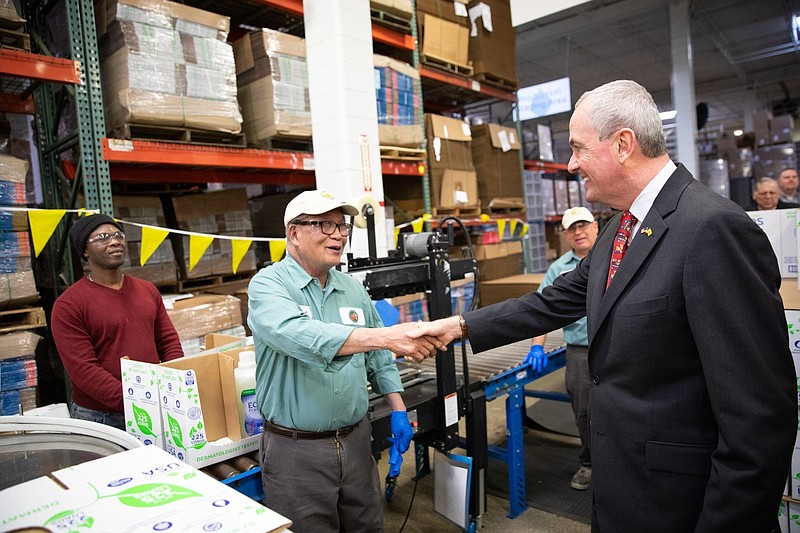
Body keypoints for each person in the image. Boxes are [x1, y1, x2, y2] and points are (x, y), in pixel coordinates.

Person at [416, 80, 796, 532]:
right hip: (622, 491)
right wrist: (458, 326)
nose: (572, 163)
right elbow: (554, 301)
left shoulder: (712, 229)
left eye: (578, 148)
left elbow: (759, 419)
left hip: (681, 505)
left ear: (622, 144)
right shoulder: (619, 228)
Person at [247, 190, 440, 533]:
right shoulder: (268, 286)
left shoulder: (352, 289)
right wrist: (384, 336)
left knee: (367, 527)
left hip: (355, 443)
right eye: (325, 224)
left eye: (342, 225)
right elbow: (300, 335)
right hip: (297, 451)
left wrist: (398, 408)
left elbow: (378, 356)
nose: (338, 234)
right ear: (293, 233)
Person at [51, 213, 184, 430]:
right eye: (102, 237)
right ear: (85, 250)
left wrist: (174, 385)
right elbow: (84, 370)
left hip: (156, 404)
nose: (114, 241)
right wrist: (134, 399)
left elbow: (168, 342)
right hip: (100, 416)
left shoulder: (147, 290)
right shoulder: (69, 304)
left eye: (118, 235)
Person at [526, 206, 598, 491]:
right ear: (567, 235)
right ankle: (590, 464)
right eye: (572, 229)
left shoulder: (616, 257)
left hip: (616, 347)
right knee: (583, 412)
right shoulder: (559, 269)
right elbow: (542, 309)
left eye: (583, 226)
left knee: (622, 408)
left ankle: (623, 464)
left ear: (595, 226)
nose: (579, 232)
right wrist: (536, 347)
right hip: (580, 352)